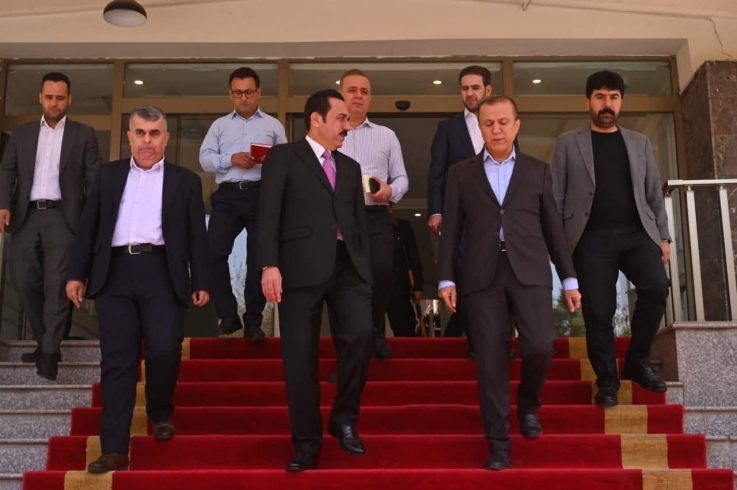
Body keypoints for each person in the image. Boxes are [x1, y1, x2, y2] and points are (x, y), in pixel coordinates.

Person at [437, 96, 581, 470]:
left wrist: (568, 278)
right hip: (482, 275)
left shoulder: (537, 171)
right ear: (480, 128)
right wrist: (446, 277)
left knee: (540, 347)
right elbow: (451, 231)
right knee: (490, 359)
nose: (496, 129)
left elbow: (553, 228)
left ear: (517, 125)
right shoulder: (460, 173)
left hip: (530, 271)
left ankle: (528, 405)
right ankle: (498, 443)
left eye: (503, 122)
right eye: (489, 123)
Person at [66, 106, 210, 473]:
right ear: (129, 137)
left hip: (162, 272)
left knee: (164, 349)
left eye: (155, 133)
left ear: (166, 138)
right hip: (114, 273)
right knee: (117, 361)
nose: (148, 140)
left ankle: (160, 411)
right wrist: (76, 274)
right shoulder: (108, 175)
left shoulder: (185, 181)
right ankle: (114, 449)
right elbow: (88, 227)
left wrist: (201, 280)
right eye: (141, 133)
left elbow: (197, 235)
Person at [258, 89, 374, 472]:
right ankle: (307, 444)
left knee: (361, 335)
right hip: (298, 268)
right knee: (300, 359)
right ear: (316, 119)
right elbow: (268, 213)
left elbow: (358, 222)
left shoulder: (351, 168)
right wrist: (269, 264)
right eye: (341, 118)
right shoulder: (283, 157)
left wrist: (364, 268)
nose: (347, 126)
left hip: (348, 268)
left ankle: (344, 419)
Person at [551, 70, 671, 408]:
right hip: (591, 238)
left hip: (637, 233)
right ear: (588, 102)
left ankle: (637, 360)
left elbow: (653, 193)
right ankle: (606, 381)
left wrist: (664, 236)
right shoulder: (568, 143)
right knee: (598, 311)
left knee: (655, 288)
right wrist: (558, 245)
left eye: (614, 97)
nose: (607, 104)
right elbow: (557, 196)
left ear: (621, 102)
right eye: (600, 97)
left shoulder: (639, 142)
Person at [0, 72, 101, 380]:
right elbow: (7, 170)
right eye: (49, 97)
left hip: (63, 218)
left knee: (57, 285)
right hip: (26, 216)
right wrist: (3, 203)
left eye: (60, 97)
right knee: (25, 281)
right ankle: (46, 340)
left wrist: (94, 221)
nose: (54, 103)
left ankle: (48, 352)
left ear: (69, 100)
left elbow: (94, 180)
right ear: (40, 98)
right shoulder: (22, 133)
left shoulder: (83, 134)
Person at [427, 65, 518, 357]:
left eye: (475, 87)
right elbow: (437, 174)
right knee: (469, 278)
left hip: (502, 217)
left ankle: (504, 342)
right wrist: (436, 211)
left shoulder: (504, 127)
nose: (469, 93)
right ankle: (477, 343)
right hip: (464, 217)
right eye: (465, 88)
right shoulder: (448, 128)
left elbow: (517, 170)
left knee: (504, 275)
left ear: (487, 90)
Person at [199, 67, 287, 339]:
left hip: (261, 195)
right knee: (212, 252)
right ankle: (227, 314)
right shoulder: (220, 126)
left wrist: (269, 161)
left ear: (258, 93)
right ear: (230, 94)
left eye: (249, 92)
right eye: (238, 93)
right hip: (228, 195)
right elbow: (204, 159)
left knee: (257, 259)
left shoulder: (273, 125)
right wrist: (231, 159)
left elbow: (286, 162)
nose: (244, 98)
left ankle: (253, 321)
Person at [337, 69, 409, 359]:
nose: (358, 96)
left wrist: (389, 191)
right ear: (341, 95)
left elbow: (402, 177)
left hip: (376, 214)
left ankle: (374, 330)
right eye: (352, 90)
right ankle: (350, 349)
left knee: (381, 271)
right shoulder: (329, 134)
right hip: (339, 218)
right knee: (344, 280)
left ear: (370, 98)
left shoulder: (386, 135)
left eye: (364, 91)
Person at [386, 203, 423, 337]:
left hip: (399, 285)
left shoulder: (402, 226)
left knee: (404, 327)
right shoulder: (367, 225)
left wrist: (418, 286)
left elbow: (413, 256)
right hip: (375, 284)